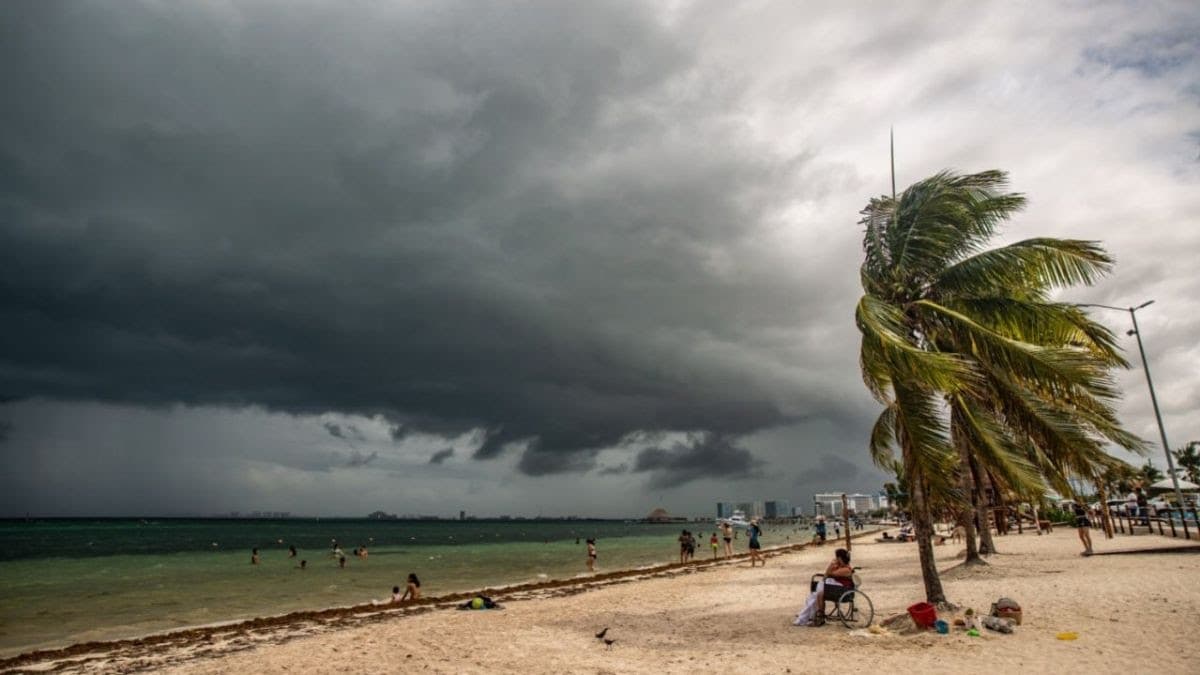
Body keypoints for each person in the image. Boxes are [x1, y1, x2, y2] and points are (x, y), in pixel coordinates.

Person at [802, 548, 855, 626]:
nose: (836, 559)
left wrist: (831, 565)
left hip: (843, 592)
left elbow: (828, 574)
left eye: (837, 557)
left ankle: (820, 617)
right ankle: (815, 614)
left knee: (820, 594)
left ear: (840, 558)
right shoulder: (841, 567)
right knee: (819, 593)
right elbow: (826, 576)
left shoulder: (846, 569)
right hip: (839, 589)